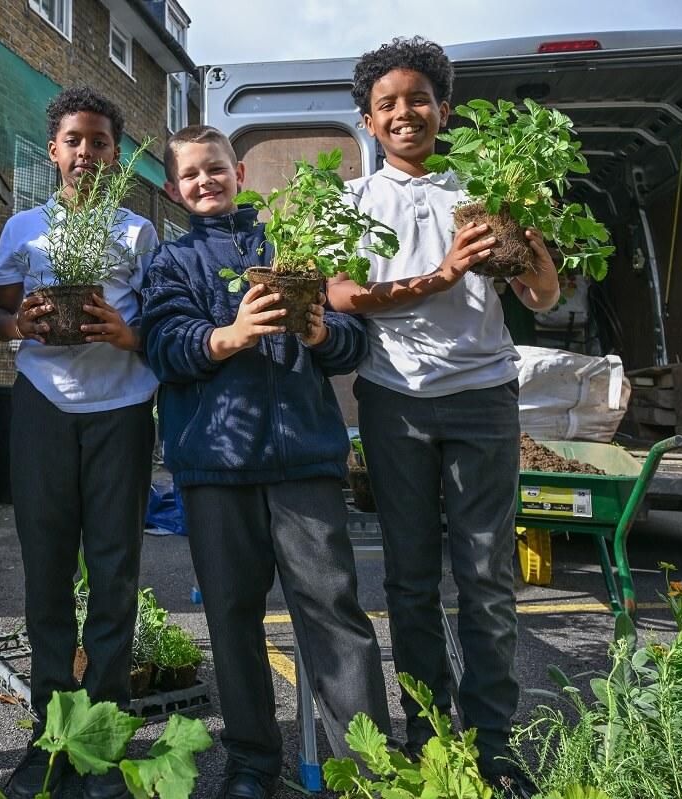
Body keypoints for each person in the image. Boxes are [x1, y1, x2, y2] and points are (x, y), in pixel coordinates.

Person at [328, 36, 560, 797]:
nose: (405, 112)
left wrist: (526, 238)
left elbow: (542, 297)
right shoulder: (356, 202)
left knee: (488, 575)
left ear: (444, 110)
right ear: (367, 119)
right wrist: (443, 273)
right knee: (410, 578)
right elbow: (342, 296)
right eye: (388, 103)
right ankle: (429, 730)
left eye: (418, 99)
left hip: (485, 398)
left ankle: (496, 746)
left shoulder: (486, 189)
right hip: (394, 401)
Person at [141, 124, 390, 799]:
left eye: (215, 169)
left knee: (335, 613)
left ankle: (367, 768)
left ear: (240, 172)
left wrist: (318, 329)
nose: (205, 182)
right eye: (190, 175)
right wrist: (229, 335)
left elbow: (349, 340)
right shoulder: (169, 263)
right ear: (173, 189)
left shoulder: (292, 242)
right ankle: (252, 758)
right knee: (231, 615)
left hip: (303, 460)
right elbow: (163, 345)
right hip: (214, 465)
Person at [0, 87, 158, 799]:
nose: (86, 153)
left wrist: (128, 332)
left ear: (116, 154)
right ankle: (51, 731)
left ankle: (105, 732)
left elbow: (159, 322)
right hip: (43, 409)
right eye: (73, 140)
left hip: (122, 410)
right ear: (52, 149)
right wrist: (17, 321)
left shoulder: (137, 234)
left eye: (99, 142)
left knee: (115, 571)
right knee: (47, 570)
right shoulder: (23, 227)